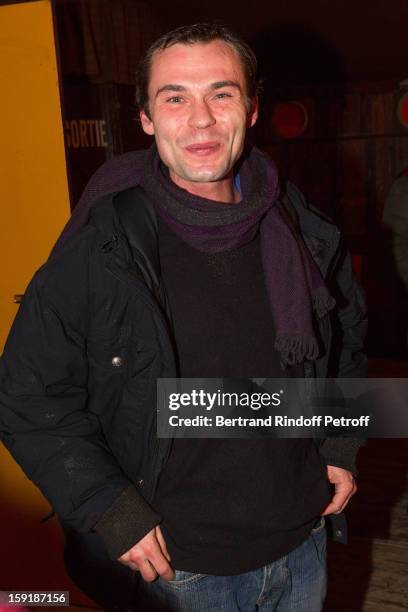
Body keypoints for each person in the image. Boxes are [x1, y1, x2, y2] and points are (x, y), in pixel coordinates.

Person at [0, 23, 367, 612]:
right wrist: (109, 509)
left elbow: (344, 338)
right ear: (145, 118)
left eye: (221, 93)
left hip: (303, 542)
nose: (200, 118)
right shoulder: (102, 248)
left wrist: (340, 443)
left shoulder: (300, 225)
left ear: (251, 110)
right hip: (180, 568)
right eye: (175, 97)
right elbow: (26, 394)